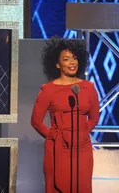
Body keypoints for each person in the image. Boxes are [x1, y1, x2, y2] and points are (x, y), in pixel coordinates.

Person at [31, 37, 99, 193]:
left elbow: (94, 118)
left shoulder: (88, 88)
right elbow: (36, 121)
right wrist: (54, 136)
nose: (72, 62)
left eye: (75, 58)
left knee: (82, 187)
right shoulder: (48, 90)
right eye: (67, 59)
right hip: (57, 148)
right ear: (57, 64)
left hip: (82, 148)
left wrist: (80, 132)